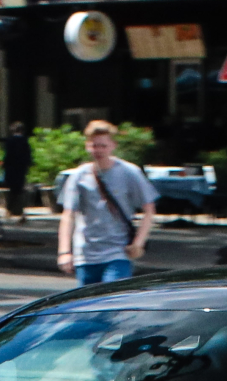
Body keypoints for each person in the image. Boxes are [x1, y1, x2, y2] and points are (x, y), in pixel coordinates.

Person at [55, 119, 156, 285]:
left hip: (118, 252)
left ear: (113, 146)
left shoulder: (129, 172)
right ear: (88, 146)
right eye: (94, 145)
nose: (98, 150)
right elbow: (68, 215)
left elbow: (149, 208)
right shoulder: (79, 175)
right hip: (85, 254)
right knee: (88, 308)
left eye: (103, 145)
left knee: (111, 302)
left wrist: (139, 242)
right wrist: (64, 251)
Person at [0, 121, 32, 220]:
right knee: (19, 190)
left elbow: (8, 155)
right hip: (21, 169)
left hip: (11, 169)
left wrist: (4, 165)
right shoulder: (25, 141)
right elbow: (28, 156)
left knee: (12, 190)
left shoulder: (10, 141)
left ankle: (10, 210)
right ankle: (19, 210)